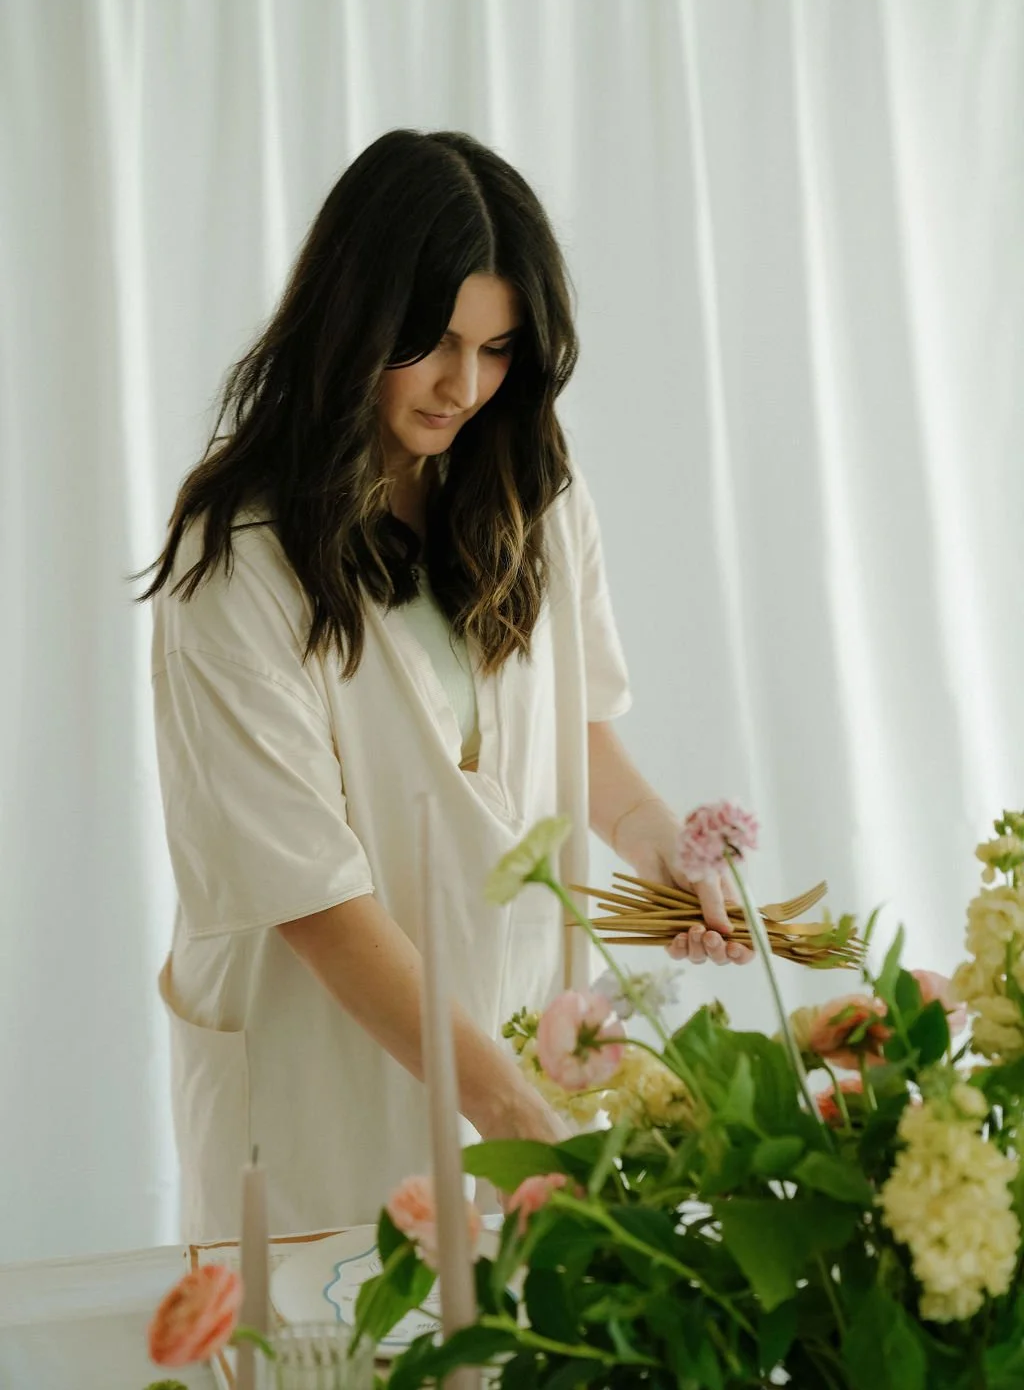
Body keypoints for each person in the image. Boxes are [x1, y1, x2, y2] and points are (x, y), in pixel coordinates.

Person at [142, 128, 750, 1242]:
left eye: (500, 349)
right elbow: (313, 901)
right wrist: (517, 1114)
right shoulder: (237, 558)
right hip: (318, 1074)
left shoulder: (535, 498)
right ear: (353, 317)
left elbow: (574, 728)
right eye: (432, 343)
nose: (463, 387)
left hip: (516, 1056)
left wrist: (659, 841)